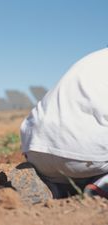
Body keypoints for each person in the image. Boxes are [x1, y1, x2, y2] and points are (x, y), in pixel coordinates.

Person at [20, 48, 108, 199]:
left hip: (35, 148)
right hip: (82, 153)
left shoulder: (95, 58)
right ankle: (100, 187)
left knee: (74, 165)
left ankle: (54, 188)